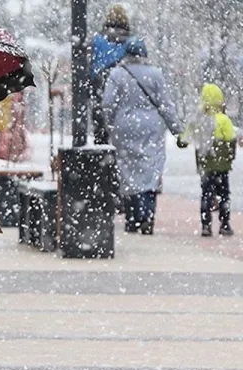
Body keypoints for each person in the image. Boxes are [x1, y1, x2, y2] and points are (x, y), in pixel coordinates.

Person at [103, 38, 182, 235]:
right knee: (151, 170)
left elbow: (108, 103)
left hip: (125, 126)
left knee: (128, 171)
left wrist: (110, 125)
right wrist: (176, 129)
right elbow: (165, 104)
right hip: (152, 128)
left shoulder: (117, 74)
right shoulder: (156, 74)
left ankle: (132, 218)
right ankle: (148, 215)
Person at [178, 84, 237, 237]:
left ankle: (206, 225)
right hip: (222, 166)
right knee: (224, 195)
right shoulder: (224, 120)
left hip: (206, 165)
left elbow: (184, 139)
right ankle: (224, 224)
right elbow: (230, 138)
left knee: (206, 194)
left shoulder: (200, 122)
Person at [90, 4, 131, 146]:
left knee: (100, 116)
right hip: (122, 80)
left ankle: (101, 150)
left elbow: (92, 62)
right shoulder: (130, 41)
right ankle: (121, 149)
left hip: (100, 80)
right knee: (122, 117)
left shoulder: (98, 39)